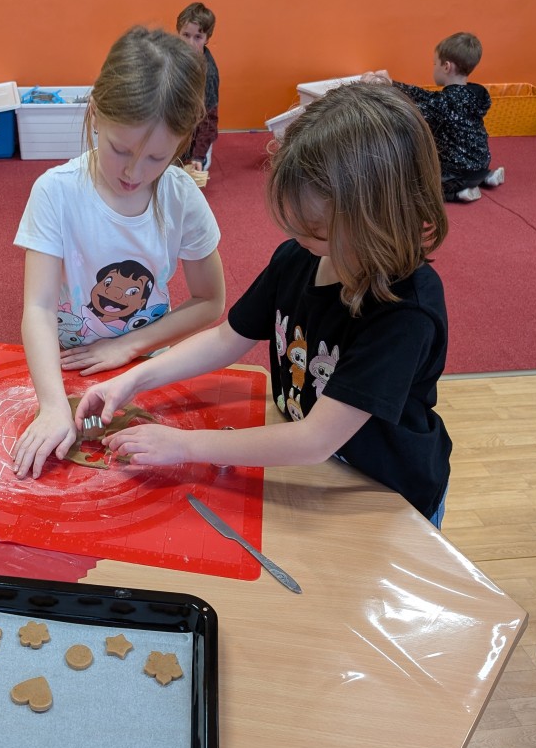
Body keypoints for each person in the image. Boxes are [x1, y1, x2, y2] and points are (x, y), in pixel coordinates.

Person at [75, 83, 452, 526]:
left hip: (386, 491)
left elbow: (315, 440)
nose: (300, 239)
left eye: (318, 231)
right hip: (316, 467)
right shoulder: (301, 257)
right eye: (297, 226)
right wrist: (133, 380)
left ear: (381, 221)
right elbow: (226, 339)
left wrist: (183, 445)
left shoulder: (405, 312)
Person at [11, 25, 226, 479]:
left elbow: (211, 300)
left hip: (145, 367)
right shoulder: (55, 192)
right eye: (120, 150)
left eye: (156, 158)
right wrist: (51, 405)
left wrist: (128, 345)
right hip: (68, 365)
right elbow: (39, 306)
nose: (133, 172)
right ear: (95, 115)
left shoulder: (182, 197)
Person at [365, 32, 503, 203]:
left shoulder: (445, 102)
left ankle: (458, 193)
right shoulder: (474, 93)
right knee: (469, 165)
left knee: (417, 185)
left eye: (434, 63)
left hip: (456, 173)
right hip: (481, 165)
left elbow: (410, 112)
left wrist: (381, 94)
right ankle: (487, 177)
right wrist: (393, 84)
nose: (434, 67)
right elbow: (427, 97)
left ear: (446, 67)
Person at [175, 2, 219, 172]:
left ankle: (201, 154)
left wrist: (198, 156)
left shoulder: (209, 75)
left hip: (197, 130)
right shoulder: (171, 57)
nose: (190, 43)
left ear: (207, 38)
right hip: (178, 124)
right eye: (186, 35)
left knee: (194, 171)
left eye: (198, 37)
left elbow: (209, 119)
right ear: (178, 33)